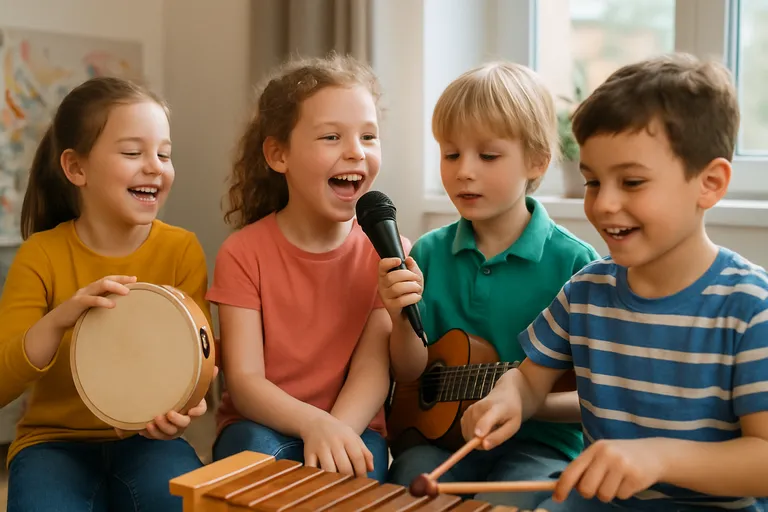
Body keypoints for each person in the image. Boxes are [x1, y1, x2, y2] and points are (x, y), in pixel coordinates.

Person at [462, 53, 768, 512]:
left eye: (631, 182)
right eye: (591, 182)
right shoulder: (585, 291)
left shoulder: (749, 306)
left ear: (710, 183)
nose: (604, 204)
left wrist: (659, 457)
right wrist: (507, 401)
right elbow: (529, 384)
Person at [378, 61, 600, 508]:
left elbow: (592, 399)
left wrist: (524, 401)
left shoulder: (577, 264)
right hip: (439, 444)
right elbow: (410, 375)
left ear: (536, 160)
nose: (464, 171)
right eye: (451, 154)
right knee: (404, 480)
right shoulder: (427, 252)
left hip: (540, 446)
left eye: (488, 155)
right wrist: (399, 316)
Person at [0, 76, 212, 512]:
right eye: (133, 153)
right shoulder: (41, 254)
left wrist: (186, 411)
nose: (154, 166)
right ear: (77, 168)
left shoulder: (182, 249)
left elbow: (201, 365)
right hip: (52, 444)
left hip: (148, 444)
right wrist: (62, 316)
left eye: (164, 154)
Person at [206, 53, 398, 483]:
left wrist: (337, 431)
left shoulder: (389, 250)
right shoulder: (243, 253)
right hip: (259, 426)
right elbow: (245, 379)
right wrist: (314, 424)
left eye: (369, 137)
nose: (355, 152)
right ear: (278, 155)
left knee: (351, 477)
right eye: (331, 137)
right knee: (260, 470)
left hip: (352, 423)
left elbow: (372, 371)